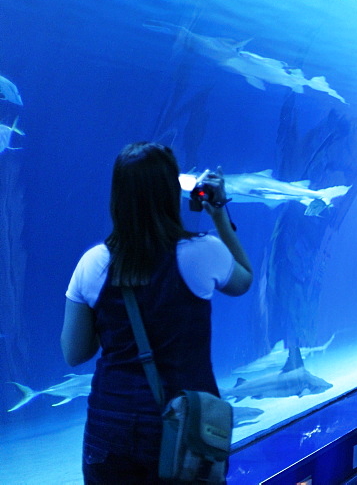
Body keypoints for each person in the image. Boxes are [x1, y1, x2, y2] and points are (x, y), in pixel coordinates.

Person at [61, 142, 253, 483]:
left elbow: (74, 353)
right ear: (169, 193)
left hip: (111, 425)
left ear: (117, 196)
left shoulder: (92, 264)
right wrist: (219, 212)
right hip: (187, 423)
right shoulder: (203, 253)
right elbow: (243, 280)